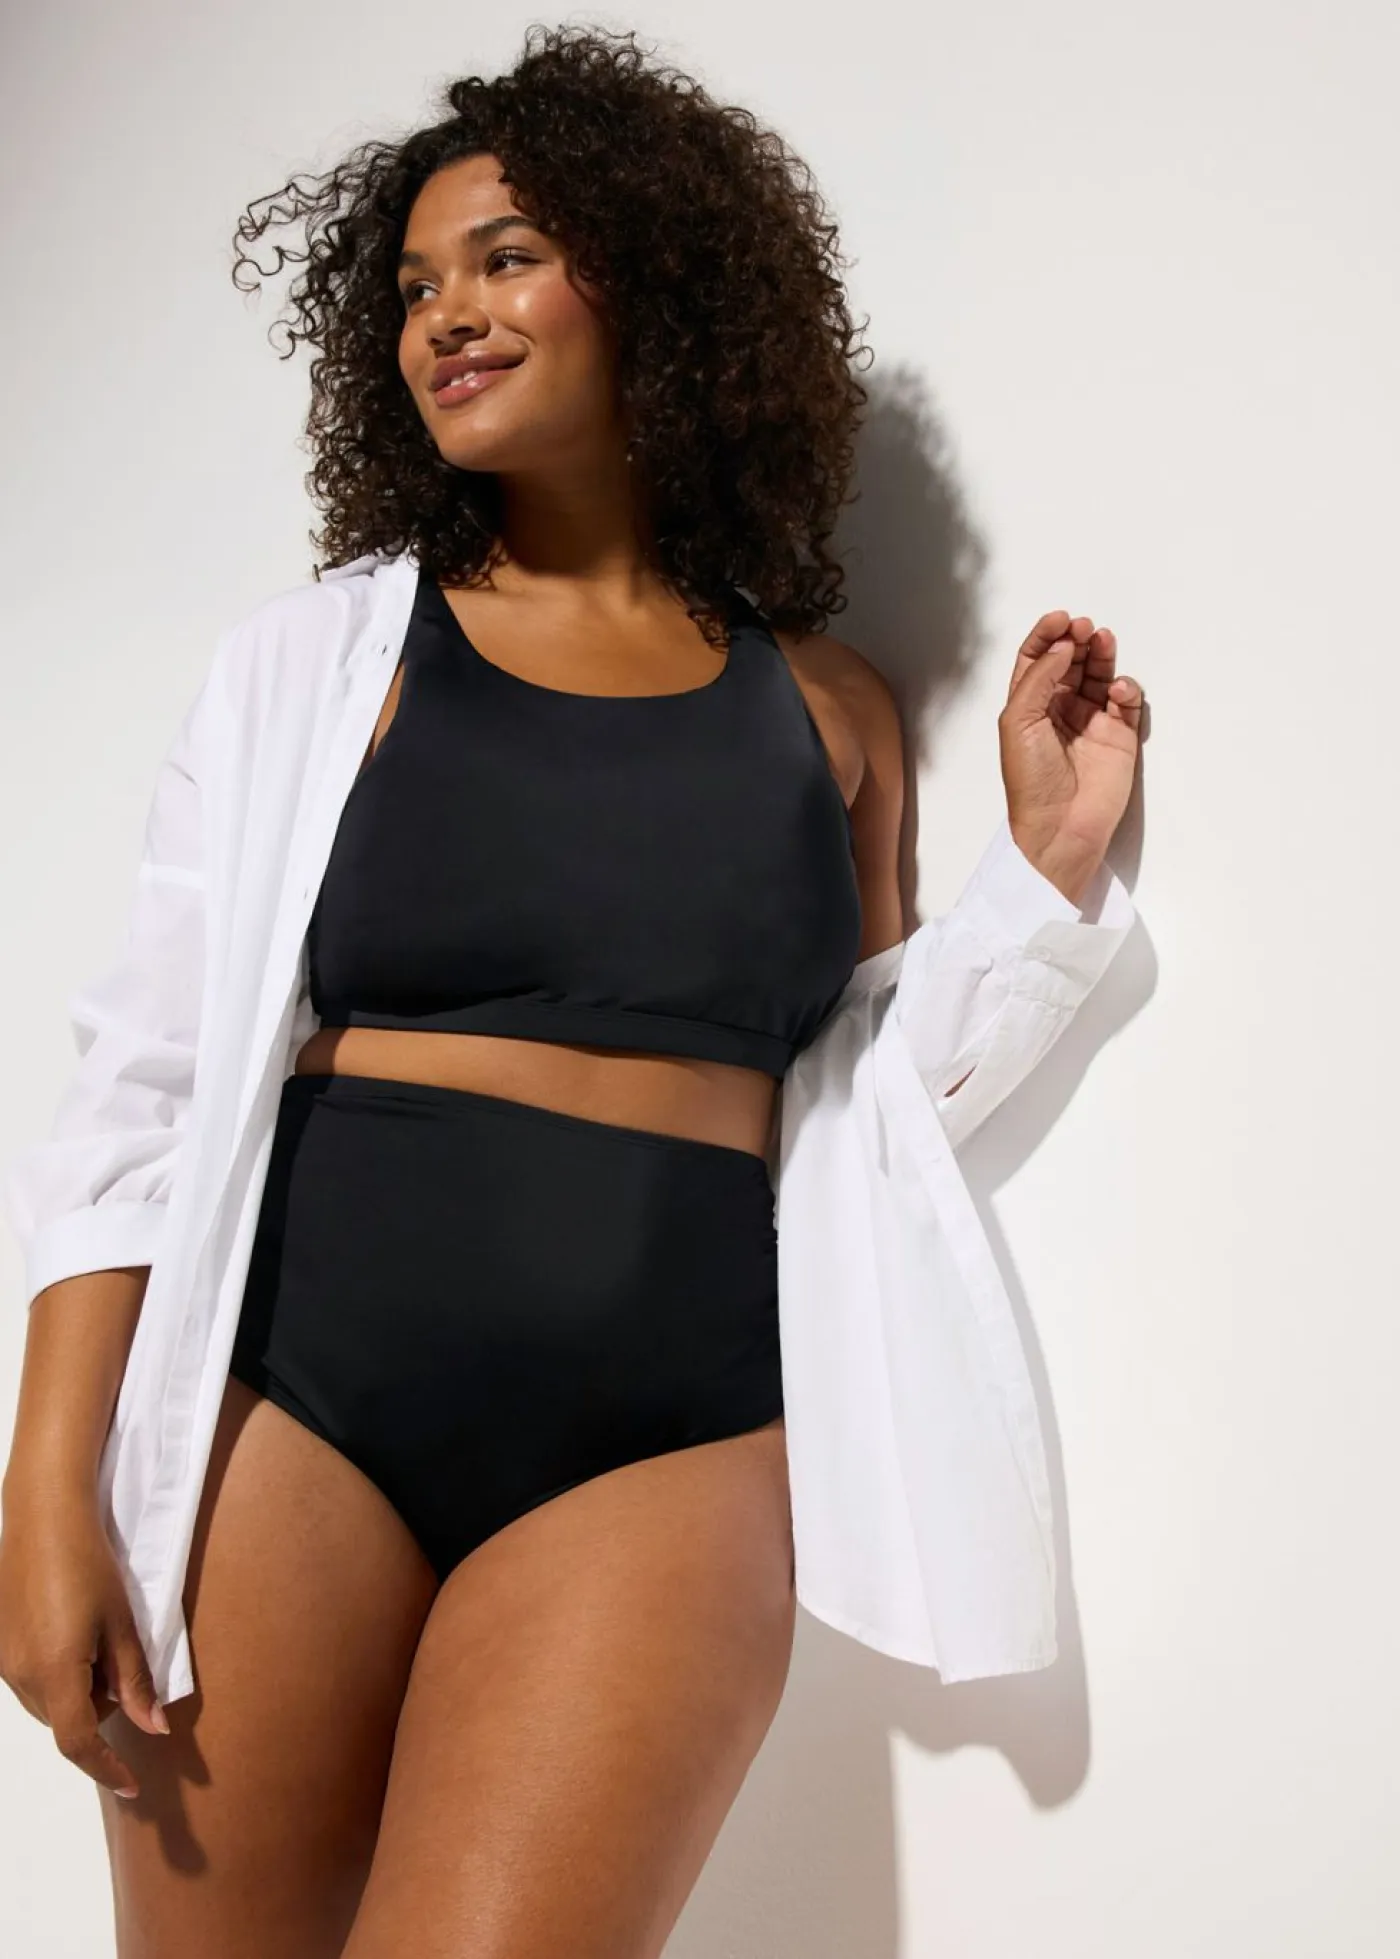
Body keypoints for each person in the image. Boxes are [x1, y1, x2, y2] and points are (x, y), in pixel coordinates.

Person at [0, 25, 1143, 1959]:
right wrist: (47, 1494)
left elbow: (866, 1108)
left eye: (506, 257)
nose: (445, 313)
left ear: (656, 287)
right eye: (413, 286)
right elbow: (145, 1083)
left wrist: (1041, 866)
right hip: (299, 1414)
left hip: (671, 1446)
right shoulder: (321, 665)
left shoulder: (826, 706)